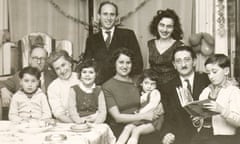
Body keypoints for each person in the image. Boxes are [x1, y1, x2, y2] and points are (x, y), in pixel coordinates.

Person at [102, 48, 159, 144]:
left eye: (128, 63)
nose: (125, 66)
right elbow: (117, 117)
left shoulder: (139, 80)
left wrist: (158, 109)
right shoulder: (107, 86)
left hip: (143, 124)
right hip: (121, 128)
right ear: (114, 63)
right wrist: (144, 116)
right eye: (121, 62)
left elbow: (154, 96)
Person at [85, 1, 143, 85]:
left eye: (112, 14)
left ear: (116, 17)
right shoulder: (92, 40)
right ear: (99, 16)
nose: (108, 18)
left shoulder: (128, 35)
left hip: (123, 85)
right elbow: (87, 65)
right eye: (105, 14)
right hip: (100, 87)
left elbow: (138, 64)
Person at [160, 46, 210, 144]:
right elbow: (167, 116)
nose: (183, 64)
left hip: (207, 136)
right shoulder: (167, 87)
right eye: (178, 61)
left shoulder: (207, 80)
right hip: (180, 137)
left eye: (187, 60)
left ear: (194, 61)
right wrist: (167, 133)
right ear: (174, 65)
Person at [190, 54, 240, 144]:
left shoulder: (234, 91)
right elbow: (202, 120)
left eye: (214, 71)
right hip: (202, 135)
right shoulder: (206, 91)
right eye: (208, 73)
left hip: (223, 138)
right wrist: (197, 120)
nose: (211, 76)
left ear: (226, 71)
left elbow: (238, 121)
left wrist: (221, 110)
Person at [0, 47, 56, 120]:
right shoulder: (20, 75)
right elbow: (2, 83)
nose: (39, 62)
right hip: (23, 121)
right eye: (35, 58)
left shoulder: (54, 76)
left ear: (46, 61)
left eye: (42, 58)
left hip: (46, 120)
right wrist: (3, 89)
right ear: (29, 59)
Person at [116, 69, 164, 144]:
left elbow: (152, 105)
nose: (149, 86)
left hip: (153, 120)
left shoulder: (155, 93)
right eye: (146, 83)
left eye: (153, 84)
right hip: (142, 119)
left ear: (156, 85)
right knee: (127, 128)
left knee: (136, 131)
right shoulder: (141, 94)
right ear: (141, 83)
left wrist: (140, 113)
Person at [148, 9, 184, 86]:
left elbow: (183, 71)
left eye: (169, 26)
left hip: (172, 87)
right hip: (153, 86)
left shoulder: (179, 46)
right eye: (162, 25)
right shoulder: (150, 44)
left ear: (174, 28)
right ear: (156, 26)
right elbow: (147, 69)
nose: (165, 30)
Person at [68, 59, 106, 124]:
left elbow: (103, 112)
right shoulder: (74, 90)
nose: (87, 75)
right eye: (84, 72)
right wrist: (80, 121)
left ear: (96, 75)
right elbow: (72, 110)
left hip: (95, 121)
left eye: (91, 72)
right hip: (78, 121)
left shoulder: (99, 90)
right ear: (80, 74)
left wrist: (96, 124)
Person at [47, 50, 79, 123]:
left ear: (70, 63)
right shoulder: (53, 87)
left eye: (63, 65)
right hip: (67, 123)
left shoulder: (81, 78)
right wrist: (77, 123)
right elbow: (59, 114)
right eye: (57, 68)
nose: (62, 70)